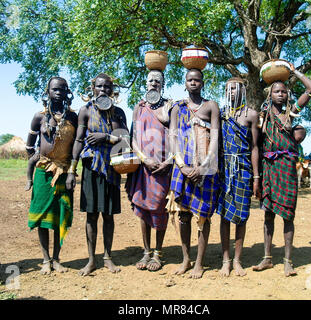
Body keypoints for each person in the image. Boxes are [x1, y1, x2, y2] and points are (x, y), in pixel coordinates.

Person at [253, 63, 311, 277]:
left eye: (284, 91)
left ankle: (288, 261)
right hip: (268, 168)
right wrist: (257, 177)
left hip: (287, 168)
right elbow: (256, 144)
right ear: (270, 95)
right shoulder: (262, 116)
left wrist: (294, 72)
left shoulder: (291, 114)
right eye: (276, 91)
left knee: (288, 216)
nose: (280, 94)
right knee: (268, 216)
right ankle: (267, 258)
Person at [67, 73, 128, 276]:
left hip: (112, 169)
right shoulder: (85, 111)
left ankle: (108, 257)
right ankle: (92, 259)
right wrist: (71, 169)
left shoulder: (118, 113)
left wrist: (106, 137)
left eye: (108, 87)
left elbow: (126, 141)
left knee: (108, 215)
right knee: (91, 215)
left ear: (113, 90)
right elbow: (78, 140)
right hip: (91, 168)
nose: (103, 90)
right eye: (99, 87)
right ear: (93, 89)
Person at [167, 68, 220, 279]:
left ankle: (199, 263)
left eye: (197, 80)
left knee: (203, 216)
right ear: (185, 83)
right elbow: (172, 137)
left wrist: (205, 166)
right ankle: (186, 259)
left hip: (207, 169)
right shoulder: (177, 108)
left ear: (203, 83)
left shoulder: (211, 106)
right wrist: (182, 166)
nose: (193, 83)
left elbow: (215, 138)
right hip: (183, 168)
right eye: (190, 80)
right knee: (183, 215)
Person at [26, 76, 77, 275]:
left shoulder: (72, 117)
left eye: (63, 89)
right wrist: (35, 158)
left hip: (64, 173)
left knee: (59, 216)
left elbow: (75, 148)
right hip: (43, 172)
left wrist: (72, 171)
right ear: (47, 92)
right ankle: (45, 259)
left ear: (67, 93)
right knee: (42, 216)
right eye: (55, 89)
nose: (58, 92)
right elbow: (29, 145)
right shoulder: (39, 117)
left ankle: (57, 259)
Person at [125, 70, 173, 271]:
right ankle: (146, 251)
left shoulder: (170, 107)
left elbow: (176, 135)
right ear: (146, 84)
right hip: (143, 168)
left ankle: (158, 253)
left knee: (159, 210)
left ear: (163, 84)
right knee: (143, 210)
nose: (153, 83)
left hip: (163, 168)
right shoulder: (139, 108)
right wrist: (144, 160)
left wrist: (169, 161)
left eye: (157, 81)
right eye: (150, 80)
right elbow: (133, 139)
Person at [217, 78, 261, 277]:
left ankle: (237, 260)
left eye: (235, 88)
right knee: (225, 217)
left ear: (243, 90)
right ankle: (225, 260)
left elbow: (254, 147)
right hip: (224, 168)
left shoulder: (251, 115)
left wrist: (256, 177)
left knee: (241, 217)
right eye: (228, 89)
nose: (231, 92)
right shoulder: (221, 114)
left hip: (243, 168)